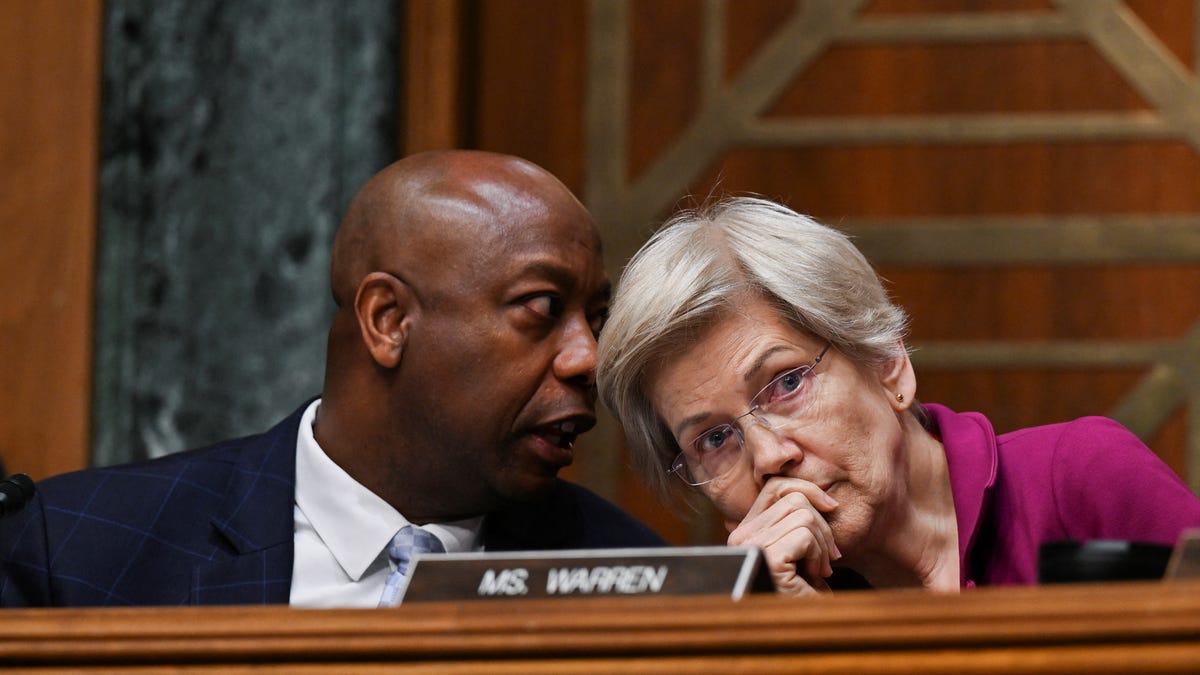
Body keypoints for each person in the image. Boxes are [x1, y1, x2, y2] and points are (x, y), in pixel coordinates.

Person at [0, 150, 663, 607]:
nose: (586, 358)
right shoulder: (81, 548)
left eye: (595, 318)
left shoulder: (634, 576)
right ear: (388, 319)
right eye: (542, 309)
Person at [597, 195, 1200, 594]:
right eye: (715, 438)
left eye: (785, 384)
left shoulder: (1081, 479)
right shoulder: (768, 604)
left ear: (887, 363)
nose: (769, 457)